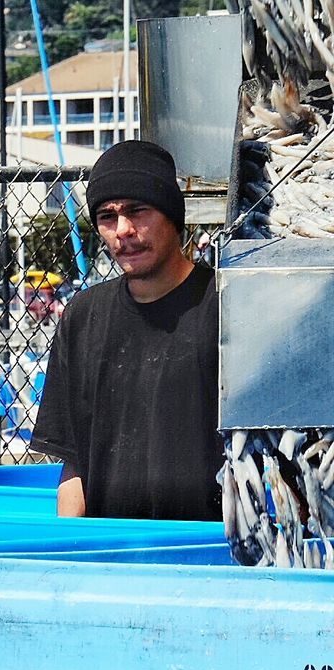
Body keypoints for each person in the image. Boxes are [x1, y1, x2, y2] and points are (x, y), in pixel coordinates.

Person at [30, 140, 221, 521]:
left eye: (138, 211)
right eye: (107, 216)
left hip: (210, 549)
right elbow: (73, 465)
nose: (124, 230)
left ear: (171, 214)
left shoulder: (223, 306)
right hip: (113, 554)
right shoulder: (83, 317)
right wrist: (72, 554)